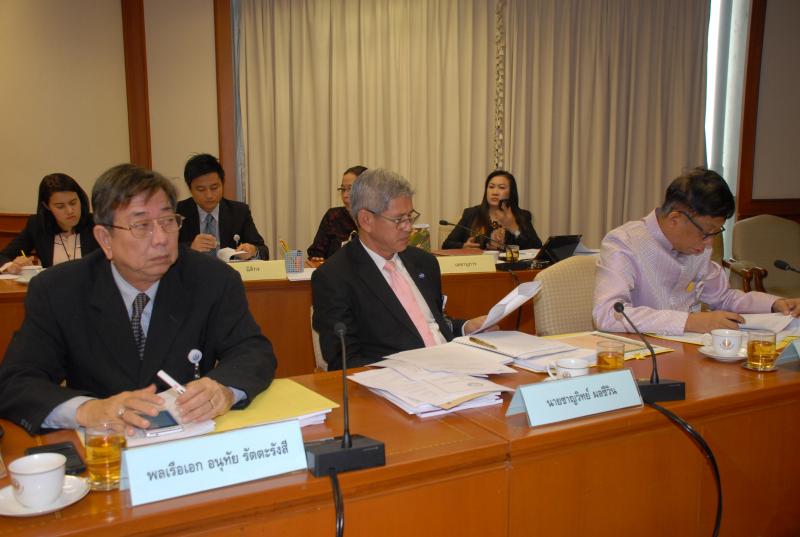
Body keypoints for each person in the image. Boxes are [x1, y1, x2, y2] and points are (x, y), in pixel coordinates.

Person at [0, 164, 277, 435]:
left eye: (168, 221)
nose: (161, 238)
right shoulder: (59, 290)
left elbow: (252, 350)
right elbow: (17, 380)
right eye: (142, 225)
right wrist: (88, 410)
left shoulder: (212, 278)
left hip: (189, 438)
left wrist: (223, 388)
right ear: (105, 239)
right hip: (105, 445)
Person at [312, 168, 490, 370]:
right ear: (366, 220)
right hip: (398, 381)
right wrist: (412, 370)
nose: (408, 227)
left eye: (410, 216)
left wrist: (466, 328)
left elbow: (430, 325)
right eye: (398, 220)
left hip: (453, 367)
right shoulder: (334, 277)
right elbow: (346, 362)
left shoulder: (424, 262)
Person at [593, 167, 799, 335]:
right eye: (706, 233)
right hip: (642, 356)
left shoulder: (697, 247)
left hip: (688, 350)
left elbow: (724, 298)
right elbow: (608, 314)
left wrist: (775, 304)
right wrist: (690, 322)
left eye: (715, 233)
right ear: (675, 219)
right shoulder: (624, 243)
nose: (709, 243)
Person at [0, 173, 99, 274]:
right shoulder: (37, 225)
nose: (70, 211)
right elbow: (3, 257)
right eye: (60, 206)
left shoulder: (97, 224)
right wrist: (11, 266)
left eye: (73, 203)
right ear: (47, 206)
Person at [177, 153, 268, 260]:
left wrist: (252, 251)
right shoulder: (177, 212)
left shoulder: (239, 212)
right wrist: (189, 249)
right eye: (201, 189)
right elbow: (164, 253)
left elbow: (263, 251)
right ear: (190, 189)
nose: (209, 195)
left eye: (214, 188)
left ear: (222, 184)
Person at [442, 170, 543, 250]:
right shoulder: (471, 214)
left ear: (511, 192)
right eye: (491, 187)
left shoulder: (522, 215)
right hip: (480, 267)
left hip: (510, 268)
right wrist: (464, 246)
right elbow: (447, 245)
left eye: (501, 187)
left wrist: (514, 228)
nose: (495, 192)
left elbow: (537, 248)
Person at [307, 165, 365, 261]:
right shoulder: (333, 217)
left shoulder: (378, 219)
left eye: (350, 189)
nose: (345, 195)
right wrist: (317, 259)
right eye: (343, 189)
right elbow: (316, 252)